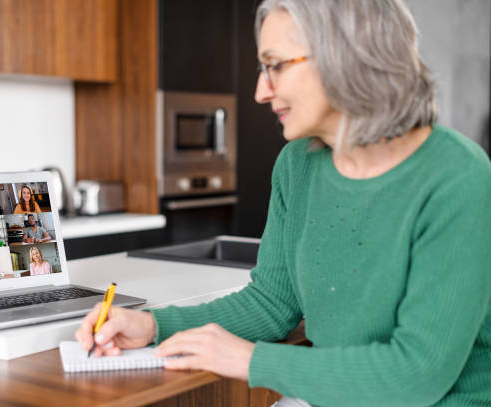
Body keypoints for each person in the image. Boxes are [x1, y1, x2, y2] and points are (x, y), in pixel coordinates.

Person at [75, 1, 491, 406]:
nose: (260, 91)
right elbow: (273, 302)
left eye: (275, 66)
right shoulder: (299, 164)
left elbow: (417, 376)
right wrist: (152, 325)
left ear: (344, 56)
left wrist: (250, 360)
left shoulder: (456, 177)